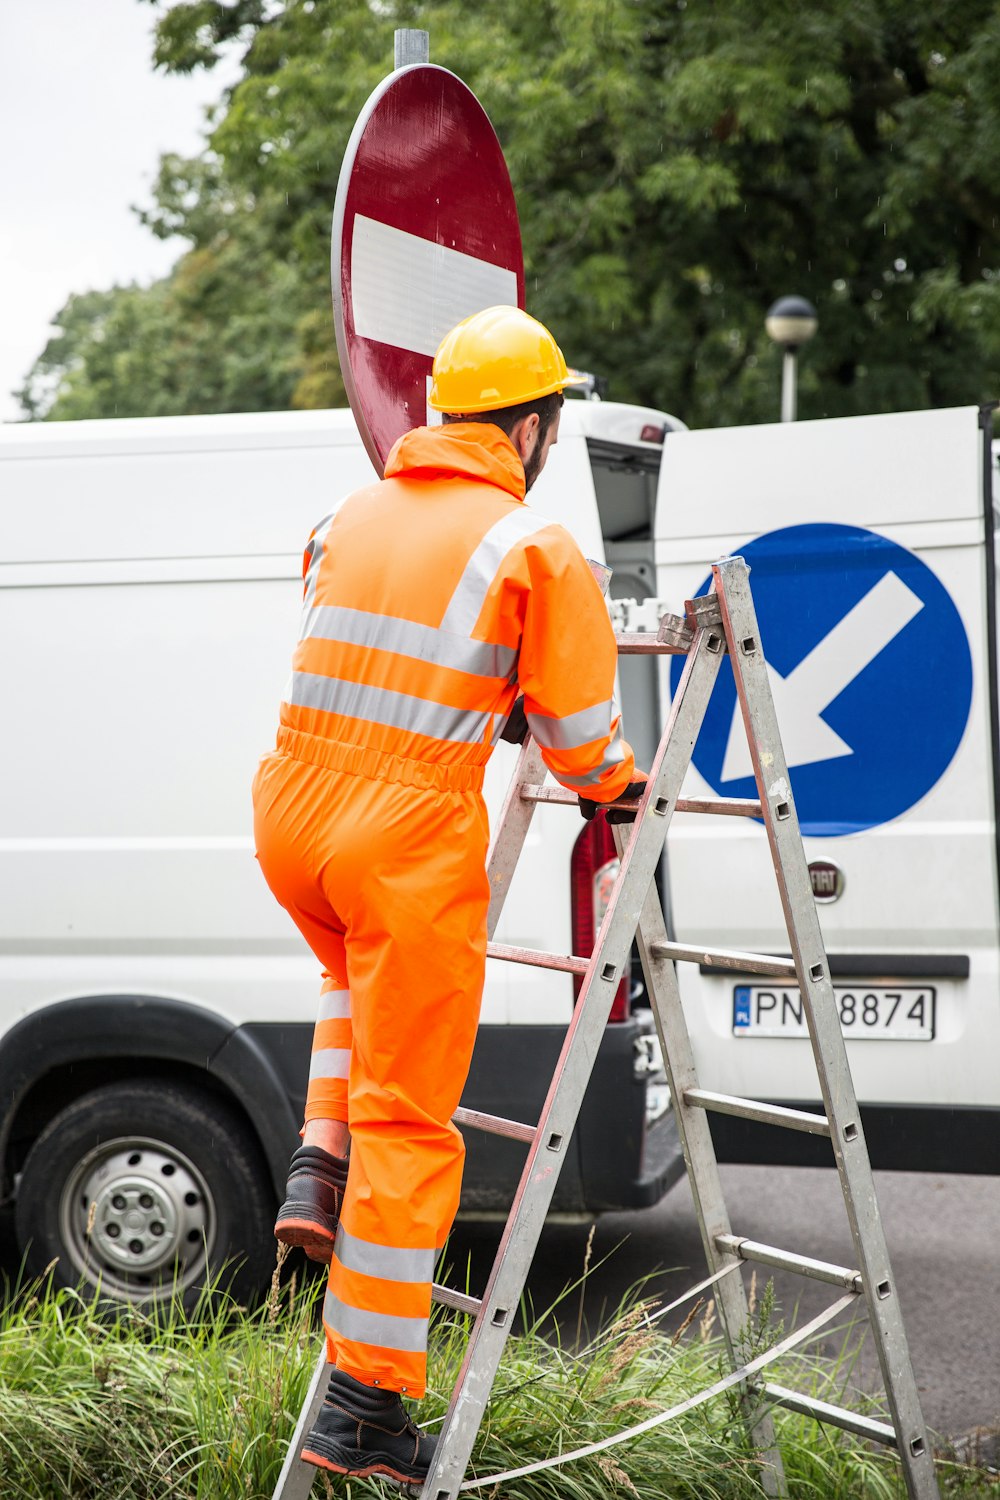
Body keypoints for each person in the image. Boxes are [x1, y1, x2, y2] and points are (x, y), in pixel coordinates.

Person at [251, 304, 646, 1488]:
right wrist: (618, 795)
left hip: (290, 815)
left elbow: (376, 642)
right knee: (415, 1129)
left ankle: (318, 1161)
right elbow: (579, 738)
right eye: (553, 428)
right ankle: (365, 1407)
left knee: (346, 972)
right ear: (528, 428)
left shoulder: (343, 514)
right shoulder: (534, 545)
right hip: (403, 834)